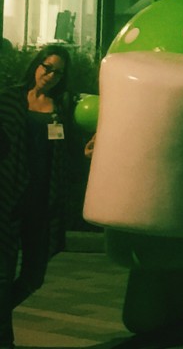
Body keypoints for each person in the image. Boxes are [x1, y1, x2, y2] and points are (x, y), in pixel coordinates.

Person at [0, 45, 80, 348]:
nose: (50, 75)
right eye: (47, 67)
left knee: (34, 277)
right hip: (7, 198)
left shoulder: (63, 105)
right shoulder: (9, 98)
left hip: (43, 201)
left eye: (58, 72)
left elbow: (74, 143)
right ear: (37, 65)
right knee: (2, 278)